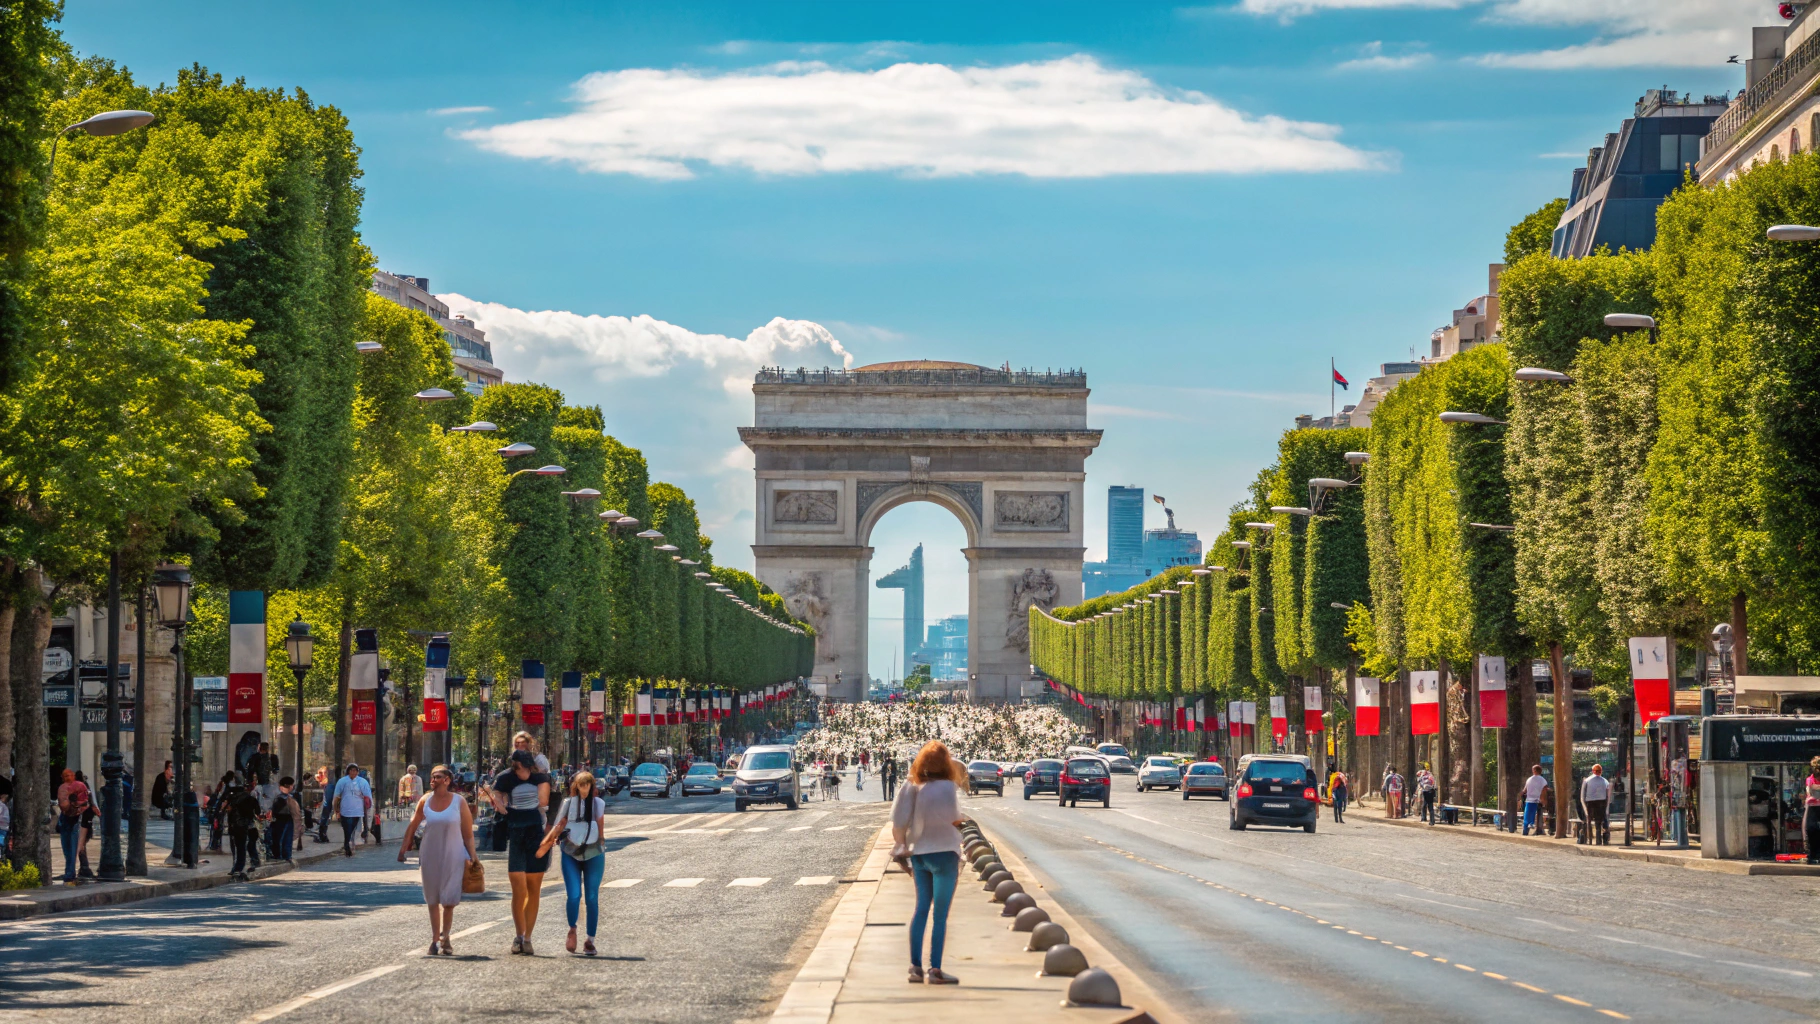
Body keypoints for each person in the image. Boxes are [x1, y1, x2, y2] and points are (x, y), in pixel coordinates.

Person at [891, 740, 967, 986]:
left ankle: (915, 967)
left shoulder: (912, 785)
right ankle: (935, 970)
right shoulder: (949, 787)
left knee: (921, 908)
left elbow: (898, 822)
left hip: (919, 855)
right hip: (945, 854)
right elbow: (956, 819)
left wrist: (902, 845)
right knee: (940, 915)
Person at [399, 765, 477, 956]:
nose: (433, 780)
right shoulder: (425, 801)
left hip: (454, 855)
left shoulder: (459, 802)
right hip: (430, 855)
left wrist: (473, 857)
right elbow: (413, 825)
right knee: (432, 898)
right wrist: (403, 849)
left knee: (449, 899)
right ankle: (435, 940)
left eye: (437, 777)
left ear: (447, 780)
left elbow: (468, 834)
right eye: (432, 777)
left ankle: (446, 936)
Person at [490, 749, 552, 955]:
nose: (522, 773)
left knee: (534, 888)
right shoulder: (506, 778)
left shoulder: (540, 777)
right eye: (518, 769)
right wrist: (501, 804)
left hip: (535, 831)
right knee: (518, 888)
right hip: (515, 831)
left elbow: (543, 801)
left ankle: (528, 938)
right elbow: (496, 795)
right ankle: (519, 935)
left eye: (525, 768)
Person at [540, 770, 607, 956]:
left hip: (594, 852)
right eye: (581, 784)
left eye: (587, 784)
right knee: (574, 895)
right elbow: (559, 824)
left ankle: (590, 940)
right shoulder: (568, 803)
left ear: (591, 786)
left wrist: (602, 840)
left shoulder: (598, 804)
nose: (584, 788)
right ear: (575, 786)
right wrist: (548, 841)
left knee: (592, 897)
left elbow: (600, 824)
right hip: (570, 851)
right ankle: (572, 929)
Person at [55, 768, 90, 885]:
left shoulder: (81, 788)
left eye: (70, 775)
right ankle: (70, 872)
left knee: (73, 848)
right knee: (68, 848)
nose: (68, 778)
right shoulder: (63, 789)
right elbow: (64, 806)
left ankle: (70, 874)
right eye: (65, 776)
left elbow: (85, 804)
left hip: (75, 819)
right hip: (66, 819)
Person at [330, 763, 373, 856]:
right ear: (348, 771)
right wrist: (336, 810)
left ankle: (348, 844)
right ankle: (348, 844)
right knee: (347, 828)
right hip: (345, 809)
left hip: (357, 810)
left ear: (358, 772)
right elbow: (336, 796)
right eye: (351, 770)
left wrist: (369, 808)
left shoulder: (362, 782)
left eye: (355, 770)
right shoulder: (342, 781)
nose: (353, 772)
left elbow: (368, 796)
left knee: (352, 827)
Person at [228, 781, 263, 880]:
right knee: (250, 845)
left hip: (237, 827)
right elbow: (258, 812)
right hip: (249, 826)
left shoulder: (232, 800)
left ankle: (238, 867)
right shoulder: (251, 799)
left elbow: (230, 815)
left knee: (240, 848)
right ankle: (254, 862)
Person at [268, 777, 298, 862]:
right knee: (281, 838)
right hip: (282, 818)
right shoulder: (280, 796)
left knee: (285, 838)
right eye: (291, 785)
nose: (292, 787)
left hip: (286, 818)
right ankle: (281, 855)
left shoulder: (288, 796)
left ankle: (285, 855)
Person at [1580, 764, 1611, 845]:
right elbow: (1608, 795)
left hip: (1589, 803)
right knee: (1600, 822)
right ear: (1601, 771)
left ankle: (1586, 838)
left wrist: (1585, 808)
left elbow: (1582, 796)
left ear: (1593, 771)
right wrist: (1606, 807)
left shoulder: (1587, 780)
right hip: (1601, 803)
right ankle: (1600, 840)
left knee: (1587, 820)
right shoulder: (1605, 781)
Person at [1522, 765, 1548, 836]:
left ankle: (1525, 831)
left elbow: (1524, 790)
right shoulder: (1543, 780)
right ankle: (1536, 826)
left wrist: (1520, 796)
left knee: (1527, 815)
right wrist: (1544, 800)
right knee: (1537, 814)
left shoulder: (1529, 779)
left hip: (1529, 800)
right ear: (1540, 771)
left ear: (1534, 771)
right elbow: (1544, 790)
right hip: (1538, 800)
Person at [1804, 758, 1820, 865]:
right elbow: (1809, 793)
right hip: (1813, 807)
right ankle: (1813, 854)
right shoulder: (1810, 779)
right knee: (1811, 829)